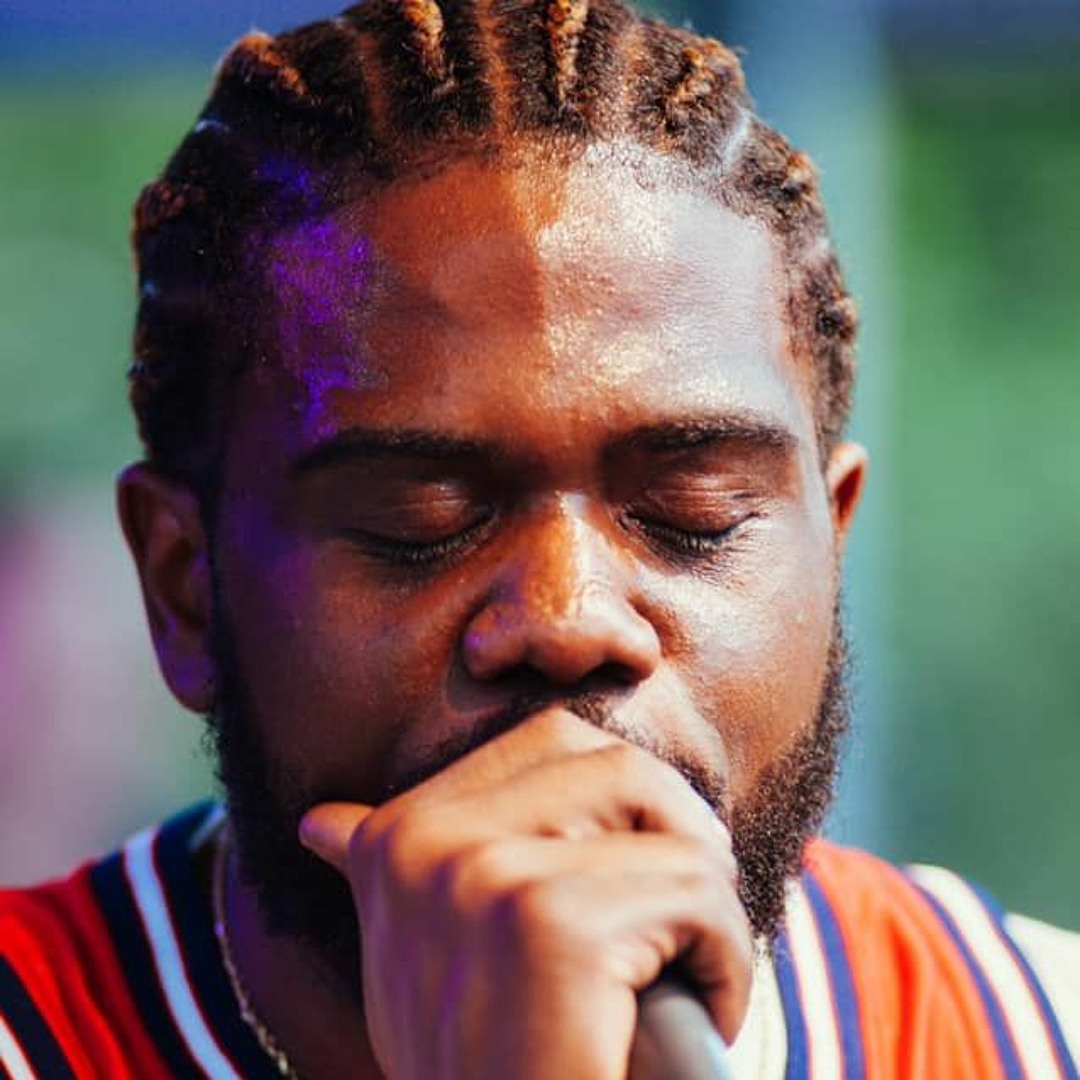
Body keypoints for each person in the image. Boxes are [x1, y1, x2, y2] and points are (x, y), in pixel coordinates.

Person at [1, 0, 1077, 1076]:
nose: (569, 621)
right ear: (184, 587)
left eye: (693, 514)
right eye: (415, 521)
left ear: (832, 550)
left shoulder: (1036, 1032)